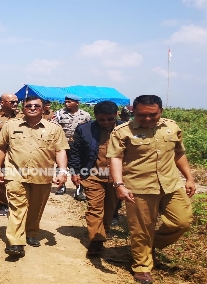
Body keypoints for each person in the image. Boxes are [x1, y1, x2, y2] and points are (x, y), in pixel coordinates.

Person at [107, 95, 195, 284]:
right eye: (141, 115)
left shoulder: (172, 127)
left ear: (161, 112)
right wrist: (119, 184)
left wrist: (189, 178)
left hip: (170, 184)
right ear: (133, 112)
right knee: (141, 229)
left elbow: (179, 153)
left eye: (152, 115)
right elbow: (115, 158)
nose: (147, 119)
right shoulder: (122, 131)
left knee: (182, 221)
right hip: (139, 187)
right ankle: (142, 266)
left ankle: (149, 245)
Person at [0, 96, 69, 257]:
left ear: (43, 109)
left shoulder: (54, 129)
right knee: (17, 207)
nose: (33, 108)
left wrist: (62, 171)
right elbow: (0, 148)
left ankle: (32, 232)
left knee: (36, 206)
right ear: (23, 108)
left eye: (37, 106)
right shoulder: (10, 126)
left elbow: (60, 150)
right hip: (15, 174)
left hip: (43, 175)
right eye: (29, 105)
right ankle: (16, 242)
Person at [68, 101, 123, 256]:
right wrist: (75, 171)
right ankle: (96, 240)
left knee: (110, 209)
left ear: (116, 115)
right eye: (102, 119)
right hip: (92, 175)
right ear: (95, 117)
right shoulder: (84, 130)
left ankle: (102, 233)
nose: (106, 122)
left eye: (110, 119)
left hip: (116, 178)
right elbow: (76, 152)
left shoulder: (125, 130)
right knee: (95, 207)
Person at [52, 94, 91, 200]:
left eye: (69, 101)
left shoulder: (85, 115)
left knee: (78, 166)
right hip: (63, 143)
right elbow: (53, 127)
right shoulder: (59, 113)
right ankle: (61, 186)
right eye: (66, 101)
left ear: (77, 103)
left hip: (78, 145)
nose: (66, 103)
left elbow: (88, 130)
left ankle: (79, 189)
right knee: (61, 165)